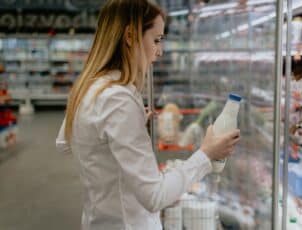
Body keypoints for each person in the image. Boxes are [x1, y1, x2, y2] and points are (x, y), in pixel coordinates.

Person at [55, 0, 240, 229]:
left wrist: (122, 130)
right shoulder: (118, 100)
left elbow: (65, 141)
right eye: (156, 40)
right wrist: (206, 154)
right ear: (130, 36)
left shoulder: (91, 87)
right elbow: (155, 196)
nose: (159, 51)